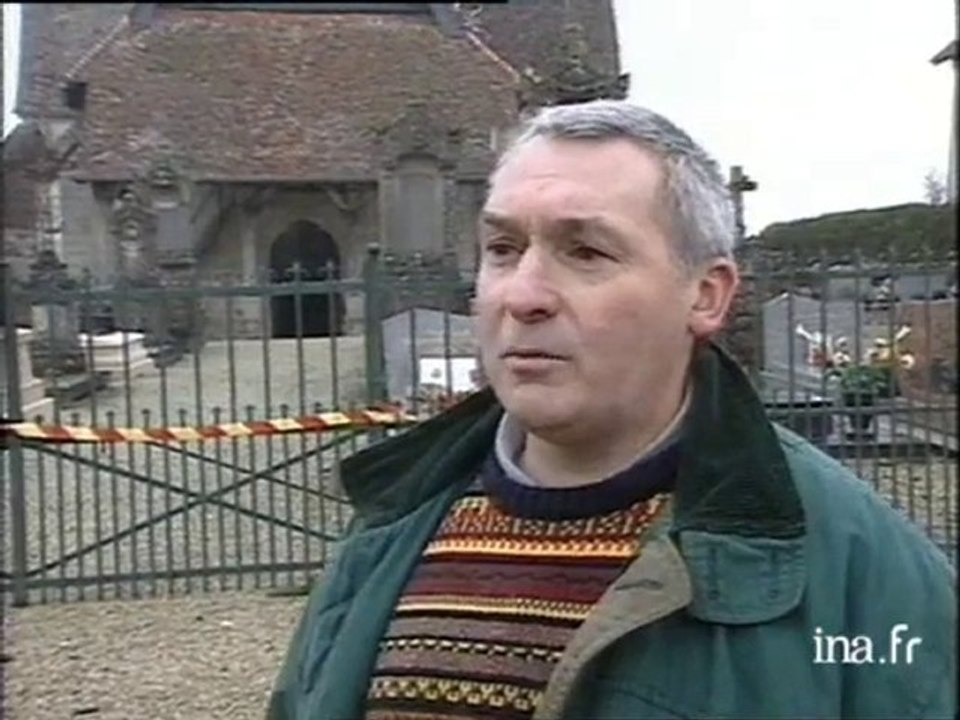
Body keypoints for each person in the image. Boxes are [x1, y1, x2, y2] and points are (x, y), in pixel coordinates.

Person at [267, 100, 956, 720]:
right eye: (503, 249)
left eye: (586, 251)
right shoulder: (390, 526)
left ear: (707, 296)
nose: (522, 294)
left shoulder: (867, 578)